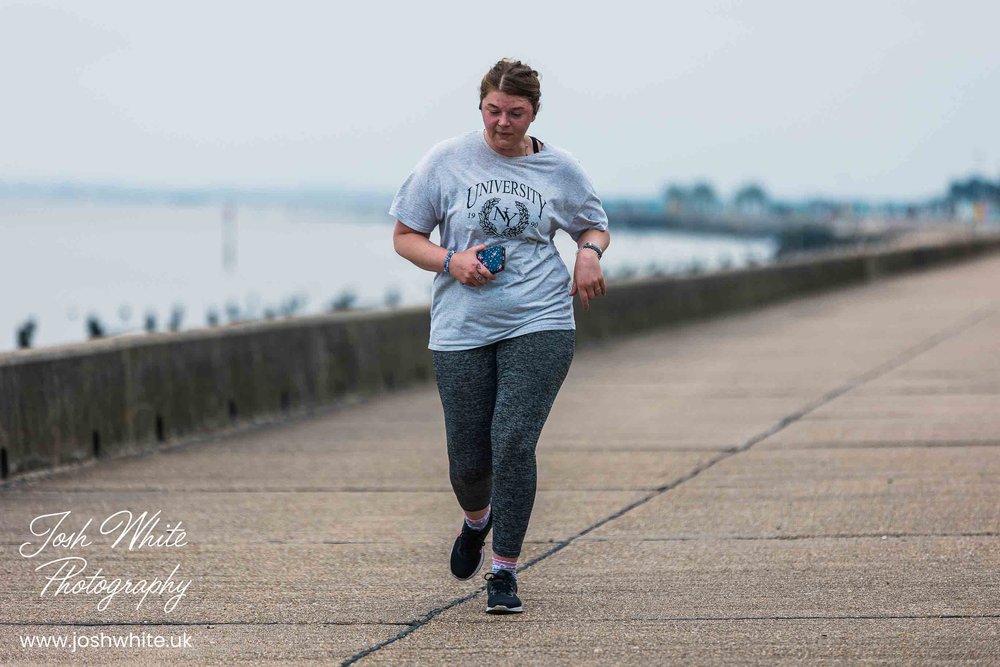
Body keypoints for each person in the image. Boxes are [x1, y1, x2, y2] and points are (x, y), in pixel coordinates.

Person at [390, 58, 610, 614]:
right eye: (493, 111)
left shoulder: (561, 169)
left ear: (534, 114)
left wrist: (588, 254)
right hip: (462, 328)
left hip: (540, 320)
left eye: (516, 113)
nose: (502, 123)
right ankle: (475, 520)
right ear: (480, 106)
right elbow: (404, 235)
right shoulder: (446, 161)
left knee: (513, 442)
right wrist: (450, 262)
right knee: (469, 464)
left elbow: (593, 222)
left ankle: (505, 571)